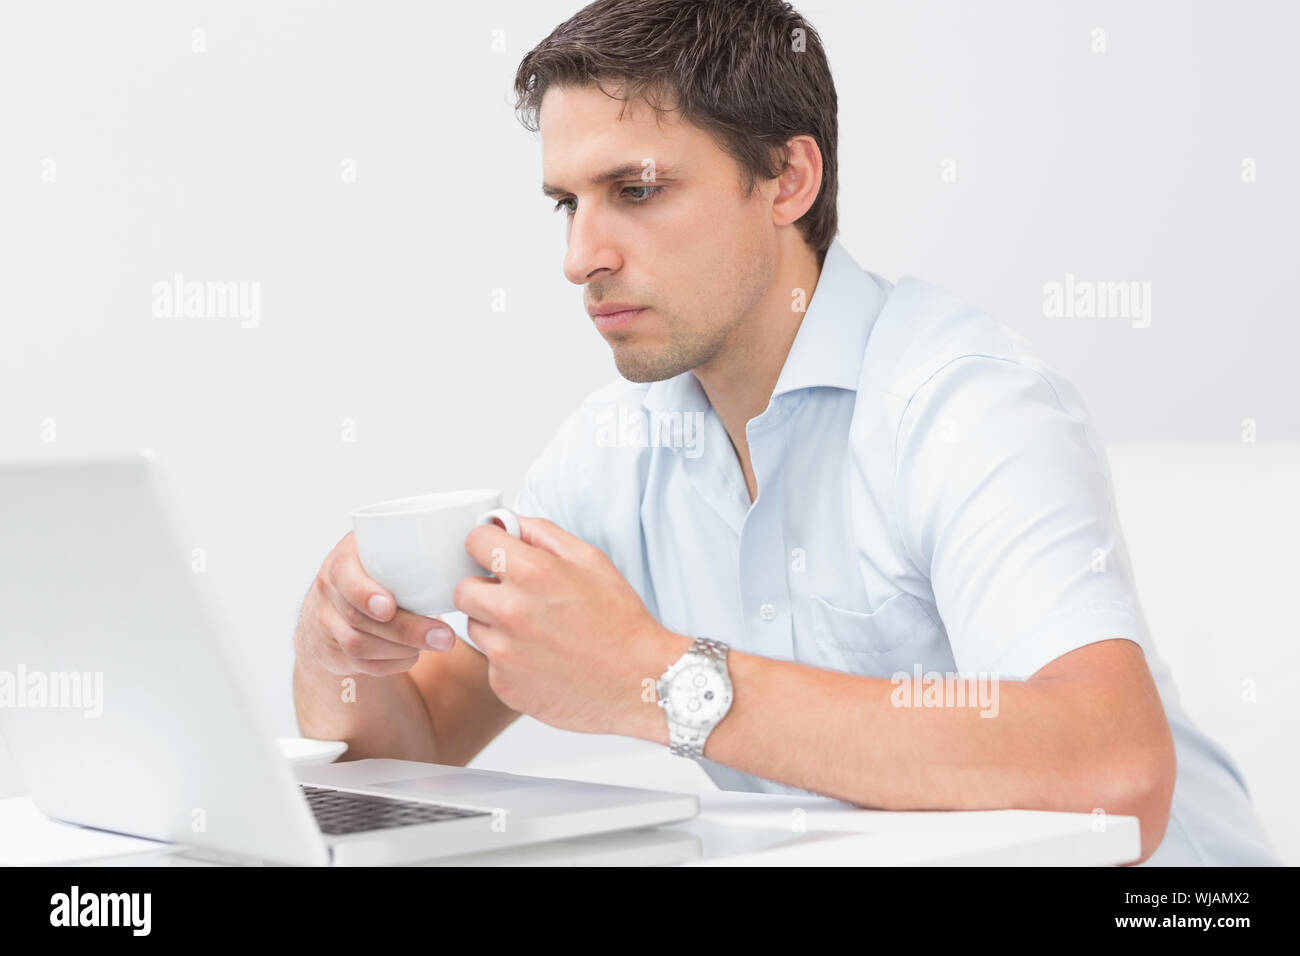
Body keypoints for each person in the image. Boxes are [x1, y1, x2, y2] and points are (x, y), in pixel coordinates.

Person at [293, 0, 1279, 866]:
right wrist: (335, 645)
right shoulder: (616, 446)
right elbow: (411, 751)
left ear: (785, 179)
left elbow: (1116, 770)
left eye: (633, 191)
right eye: (567, 203)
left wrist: (658, 676)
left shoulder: (966, 405)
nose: (580, 255)